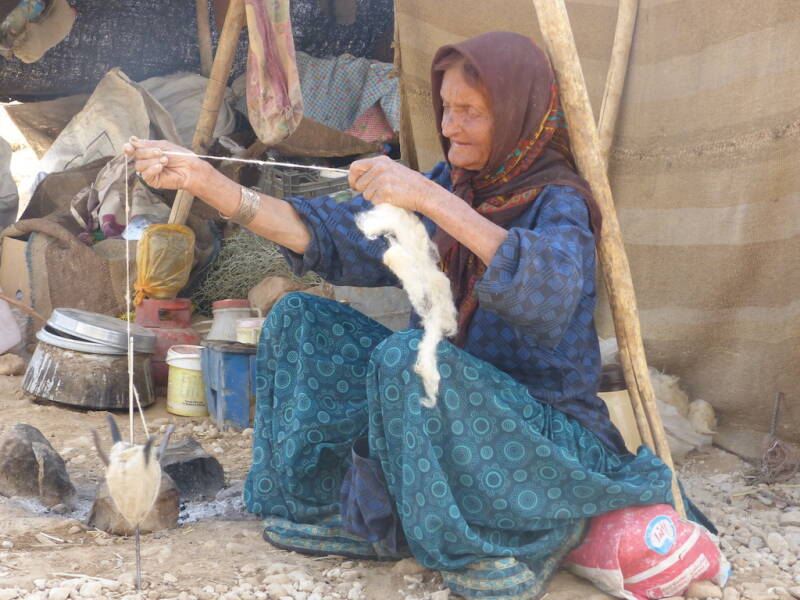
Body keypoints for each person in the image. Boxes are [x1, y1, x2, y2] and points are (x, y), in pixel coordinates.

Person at [127, 31, 681, 600]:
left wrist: (431, 200)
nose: (449, 127)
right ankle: (335, 507)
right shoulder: (455, 182)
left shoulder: (559, 201)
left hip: (538, 441)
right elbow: (330, 233)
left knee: (406, 359)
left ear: (518, 114)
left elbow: (546, 292)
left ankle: (501, 538)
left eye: (470, 112)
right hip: (445, 418)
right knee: (299, 318)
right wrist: (207, 182)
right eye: (446, 108)